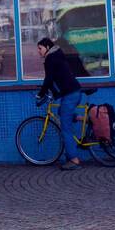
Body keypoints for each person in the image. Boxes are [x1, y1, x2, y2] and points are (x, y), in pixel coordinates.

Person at [35, 37, 84, 171]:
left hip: (70, 94)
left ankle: (74, 160)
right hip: (73, 92)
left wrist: (40, 93)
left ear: (47, 47)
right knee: (61, 111)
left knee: (65, 128)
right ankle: (84, 119)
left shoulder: (50, 58)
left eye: (40, 48)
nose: (38, 51)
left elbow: (49, 79)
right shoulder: (57, 54)